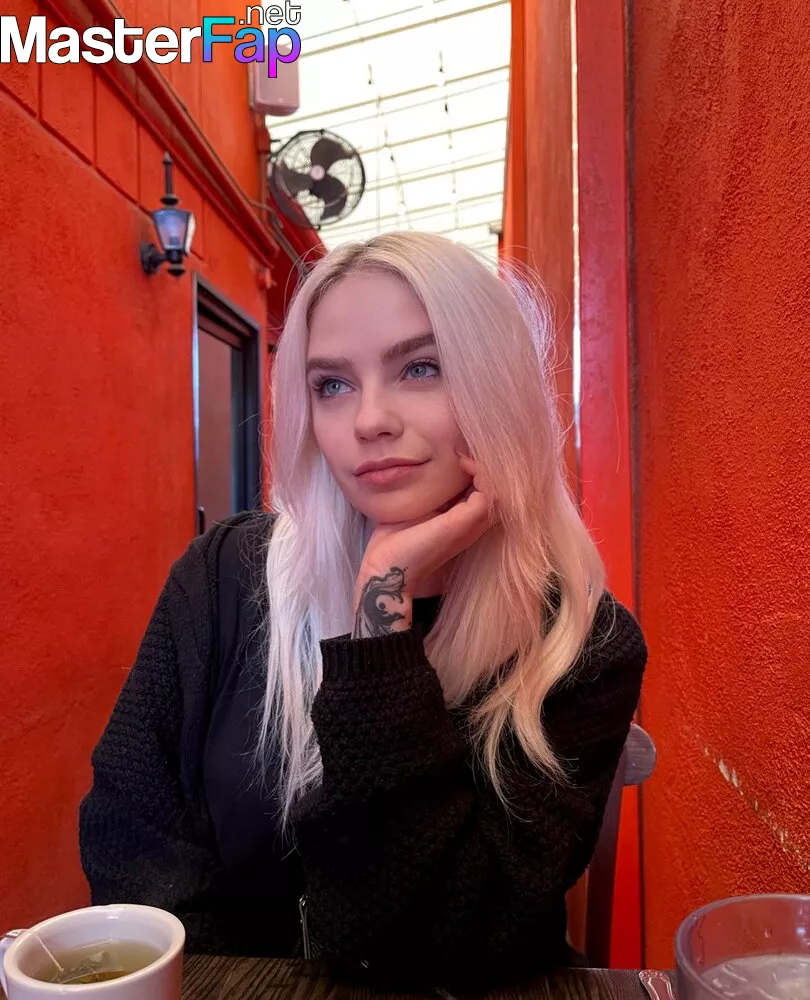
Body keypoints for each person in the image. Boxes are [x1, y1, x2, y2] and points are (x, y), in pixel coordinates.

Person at [79, 232, 647, 989]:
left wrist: (383, 609)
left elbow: (438, 937)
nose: (369, 419)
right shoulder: (224, 577)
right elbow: (131, 839)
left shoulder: (580, 646)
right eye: (332, 384)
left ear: (498, 387)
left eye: (421, 368)